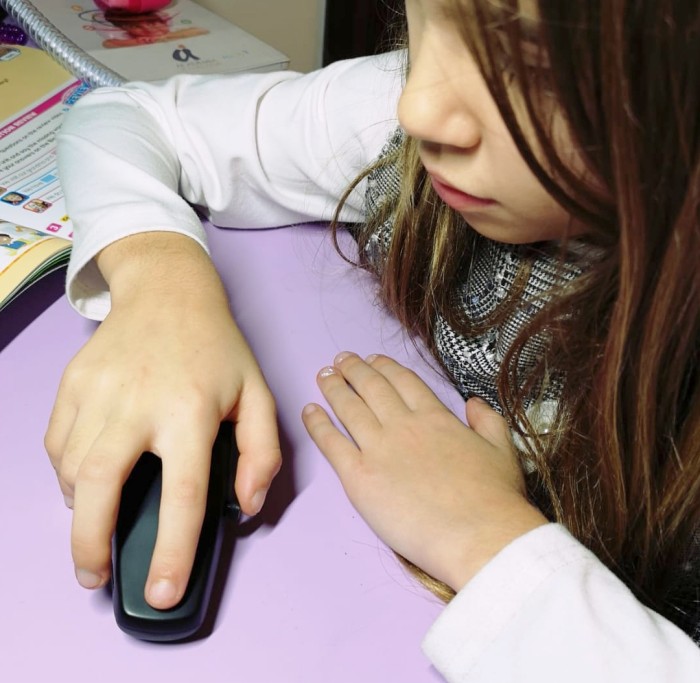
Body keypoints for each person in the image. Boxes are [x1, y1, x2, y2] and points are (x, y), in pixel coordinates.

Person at [47, 0, 700, 679]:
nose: (418, 107)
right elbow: (125, 119)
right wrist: (162, 286)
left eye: (528, 64)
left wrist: (485, 538)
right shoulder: (398, 118)